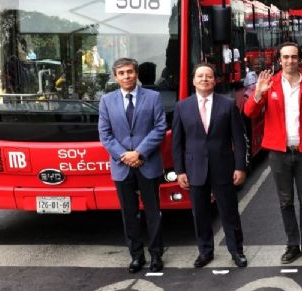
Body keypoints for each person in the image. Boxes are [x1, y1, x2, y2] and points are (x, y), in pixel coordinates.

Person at [244, 42, 302, 264]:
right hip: (278, 153)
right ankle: (292, 245)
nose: (290, 61)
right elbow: (249, 113)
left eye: (294, 57)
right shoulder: (269, 84)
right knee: (285, 201)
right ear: (279, 60)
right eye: (285, 57)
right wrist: (258, 95)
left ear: (299, 59)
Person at [172, 62, 249, 269]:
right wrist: (179, 171)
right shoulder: (182, 107)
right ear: (193, 81)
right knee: (200, 213)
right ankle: (205, 251)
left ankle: (236, 251)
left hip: (223, 167)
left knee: (229, 212)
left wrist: (240, 166)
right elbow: (177, 143)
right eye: (200, 76)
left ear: (215, 80)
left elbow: (239, 139)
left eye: (208, 76)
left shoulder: (228, 104)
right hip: (194, 169)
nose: (204, 79)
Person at [98, 57, 168, 273]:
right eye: (122, 73)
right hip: (122, 166)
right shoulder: (106, 101)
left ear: (136, 74)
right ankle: (136, 256)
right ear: (115, 77)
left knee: (152, 213)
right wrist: (124, 155)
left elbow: (160, 128)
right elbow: (105, 134)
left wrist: (139, 152)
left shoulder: (154, 97)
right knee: (129, 214)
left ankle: (156, 254)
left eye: (130, 72)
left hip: (146, 162)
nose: (126, 76)